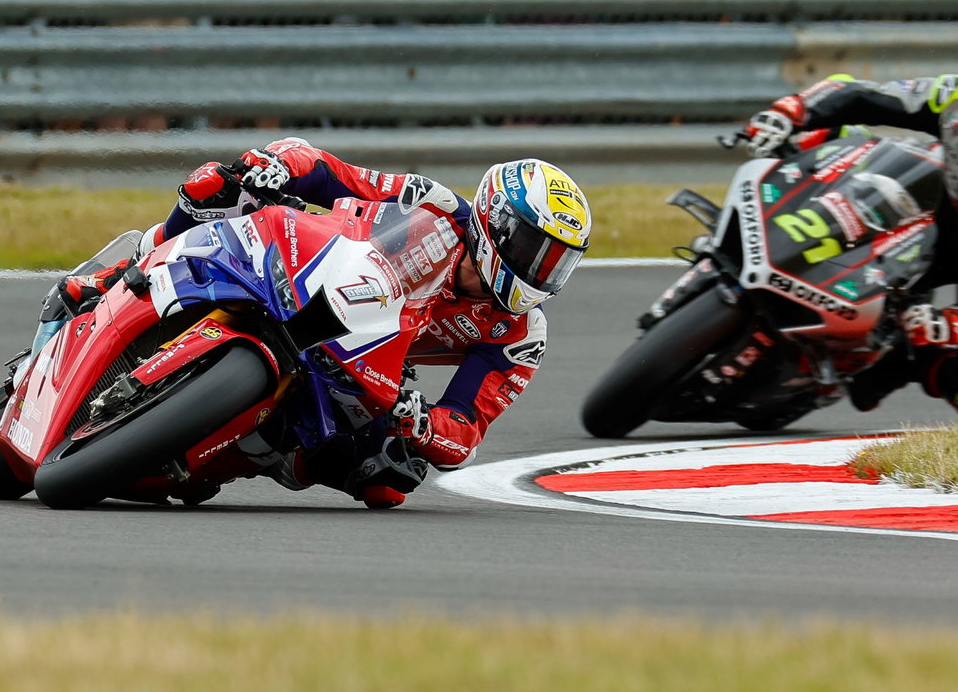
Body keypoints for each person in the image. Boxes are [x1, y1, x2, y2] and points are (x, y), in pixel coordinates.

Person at [32, 139, 594, 507]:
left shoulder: (520, 334)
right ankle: (116, 278)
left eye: (556, 262)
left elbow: (465, 428)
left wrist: (418, 422)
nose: (540, 270)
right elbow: (330, 172)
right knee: (213, 185)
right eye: (534, 248)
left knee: (387, 482)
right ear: (496, 219)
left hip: (367, 359)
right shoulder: (434, 204)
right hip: (313, 268)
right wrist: (277, 166)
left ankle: (224, 454)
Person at [741, 43, 958, 418]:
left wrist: (957, 322)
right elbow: (862, 94)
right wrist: (790, 110)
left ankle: (912, 359)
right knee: (830, 132)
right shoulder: (951, 95)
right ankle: (763, 226)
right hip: (928, 203)